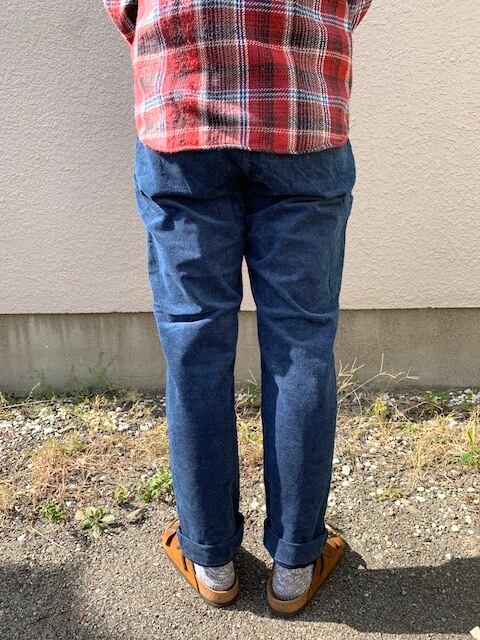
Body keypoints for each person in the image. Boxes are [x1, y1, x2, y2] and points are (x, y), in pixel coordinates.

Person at [103, 0, 372, 616]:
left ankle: (212, 562)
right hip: (302, 114)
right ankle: (295, 566)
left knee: (194, 344)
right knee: (301, 344)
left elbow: (124, 6)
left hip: (183, 112)